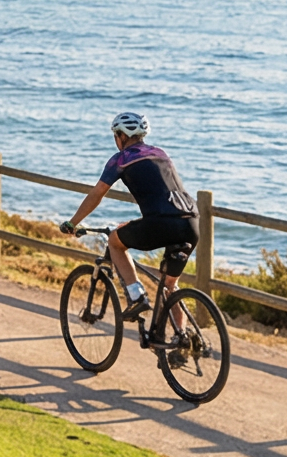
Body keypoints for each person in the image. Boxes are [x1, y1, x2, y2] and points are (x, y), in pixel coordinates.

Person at [61, 112, 197, 321]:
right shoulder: (160, 153)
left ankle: (136, 296)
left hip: (162, 224)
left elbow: (97, 194)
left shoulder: (121, 159)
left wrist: (73, 222)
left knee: (115, 241)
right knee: (170, 286)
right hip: (191, 223)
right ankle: (182, 339)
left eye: (115, 135)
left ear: (121, 136)